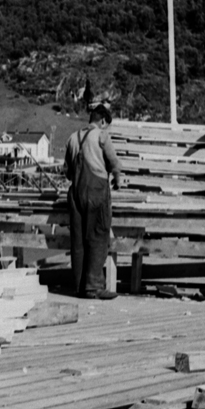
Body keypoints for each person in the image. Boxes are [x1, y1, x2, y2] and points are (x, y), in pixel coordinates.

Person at [64, 104, 122, 300]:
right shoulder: (101, 136)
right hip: (96, 191)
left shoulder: (72, 138)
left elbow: (67, 172)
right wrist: (118, 179)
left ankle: (80, 286)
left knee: (79, 240)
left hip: (75, 193)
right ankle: (94, 287)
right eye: (106, 125)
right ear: (103, 121)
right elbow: (114, 162)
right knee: (98, 235)